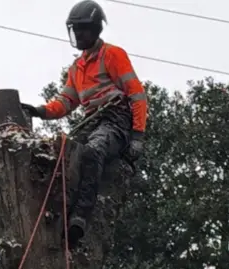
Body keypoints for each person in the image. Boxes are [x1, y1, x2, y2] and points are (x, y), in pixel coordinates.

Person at [21, 0, 147, 246]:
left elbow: (137, 94)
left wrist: (137, 136)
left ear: (96, 29)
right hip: (92, 121)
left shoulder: (113, 55)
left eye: (83, 29)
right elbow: (66, 102)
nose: (78, 34)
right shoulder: (76, 68)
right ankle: (57, 214)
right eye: (75, 30)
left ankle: (80, 217)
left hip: (116, 118)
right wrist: (39, 111)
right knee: (62, 156)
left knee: (93, 150)